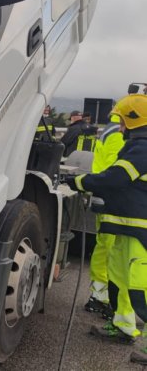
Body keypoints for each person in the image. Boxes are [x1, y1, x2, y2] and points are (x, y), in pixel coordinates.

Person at [68, 94, 147, 365]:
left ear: (135, 122)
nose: (120, 127)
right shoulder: (134, 147)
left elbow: (116, 178)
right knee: (120, 279)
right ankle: (124, 326)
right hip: (126, 226)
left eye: (123, 121)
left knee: (140, 286)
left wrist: (79, 181)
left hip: (140, 230)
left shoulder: (143, 149)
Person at [84, 114, 125, 318]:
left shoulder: (113, 128)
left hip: (107, 200)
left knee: (104, 248)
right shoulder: (121, 132)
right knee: (114, 252)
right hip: (116, 203)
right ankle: (108, 300)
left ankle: (99, 297)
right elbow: (117, 171)